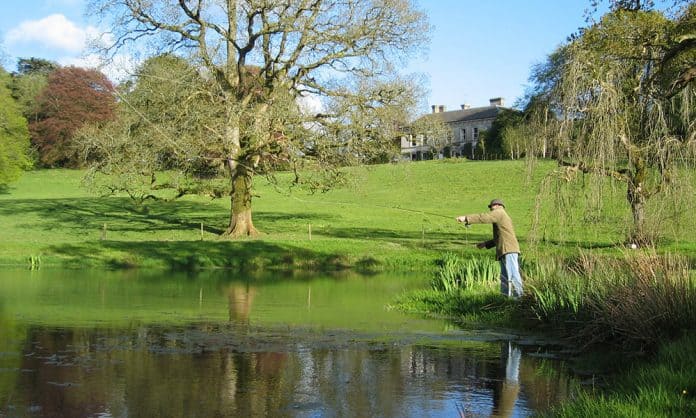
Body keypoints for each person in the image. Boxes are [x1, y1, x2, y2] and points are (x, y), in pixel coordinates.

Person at [456, 199, 523, 298]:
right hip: (506, 249)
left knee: (512, 274)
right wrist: (485, 244)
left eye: (491, 207)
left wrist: (466, 218)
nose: (490, 209)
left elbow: (484, 217)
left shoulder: (499, 213)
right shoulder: (501, 215)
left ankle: (519, 297)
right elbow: (500, 237)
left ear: (497, 205)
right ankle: (505, 299)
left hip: (509, 250)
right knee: (505, 277)